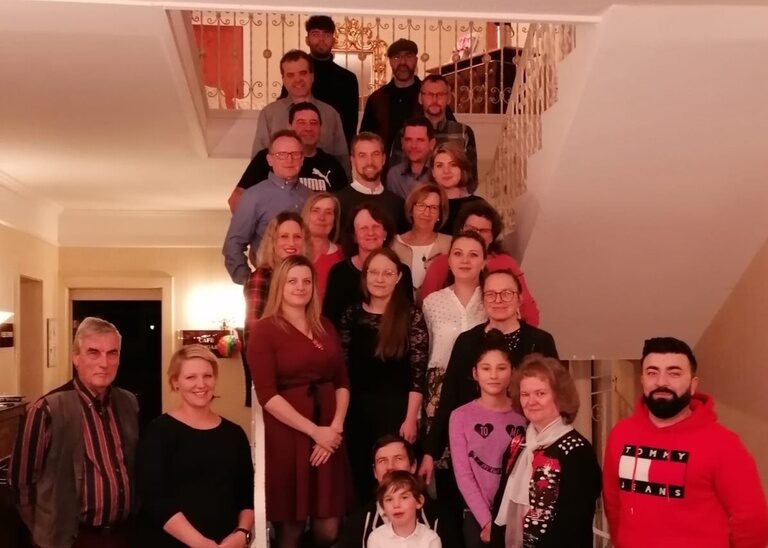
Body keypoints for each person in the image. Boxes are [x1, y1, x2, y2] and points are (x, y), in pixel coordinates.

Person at [602, 337, 768, 548]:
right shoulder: (621, 434)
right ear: (642, 379)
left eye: (674, 373)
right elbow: (613, 502)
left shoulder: (724, 444)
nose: (662, 382)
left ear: (693, 384)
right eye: (652, 372)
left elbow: (752, 520)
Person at [420, 269, 558, 488]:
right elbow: (449, 398)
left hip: (529, 446)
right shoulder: (467, 342)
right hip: (475, 449)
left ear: (519, 298)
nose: (498, 300)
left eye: (506, 293)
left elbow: (556, 398)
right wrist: (429, 452)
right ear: (483, 300)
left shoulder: (540, 341)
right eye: (491, 294)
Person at [9, 317, 138, 548]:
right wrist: (44, 532)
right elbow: (20, 484)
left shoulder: (128, 403)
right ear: (76, 357)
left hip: (122, 536)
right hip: (69, 540)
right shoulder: (47, 409)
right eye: (93, 352)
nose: (104, 363)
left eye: (112, 353)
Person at [249, 255, 350, 548]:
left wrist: (334, 429)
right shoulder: (264, 331)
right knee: (290, 529)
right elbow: (267, 394)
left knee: (328, 529)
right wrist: (313, 431)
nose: (300, 287)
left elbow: (342, 381)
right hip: (289, 435)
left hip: (330, 433)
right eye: (292, 280)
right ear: (280, 285)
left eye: (307, 281)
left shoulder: (325, 326)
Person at [135, 344, 254, 548]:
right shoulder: (159, 431)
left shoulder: (234, 434)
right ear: (175, 382)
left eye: (207, 376)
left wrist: (242, 534)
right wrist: (201, 544)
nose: (201, 384)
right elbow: (155, 499)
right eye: (191, 377)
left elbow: (246, 497)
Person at [339, 247, 428, 504]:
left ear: (398, 277)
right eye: (374, 272)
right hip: (357, 412)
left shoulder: (411, 316)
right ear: (365, 276)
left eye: (387, 273)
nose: (380, 278)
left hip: (398, 413)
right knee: (362, 482)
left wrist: (411, 418)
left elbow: (418, 373)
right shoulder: (351, 314)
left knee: (399, 485)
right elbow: (342, 371)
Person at [491, 354, 601, 547]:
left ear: (560, 396)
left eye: (540, 393)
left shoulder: (577, 450)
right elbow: (501, 506)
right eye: (525, 394)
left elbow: (575, 524)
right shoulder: (518, 444)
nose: (531, 401)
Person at [421, 231, 488, 516]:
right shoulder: (432, 302)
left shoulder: (491, 299)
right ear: (448, 260)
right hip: (439, 391)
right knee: (445, 468)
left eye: (473, 255)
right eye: (458, 253)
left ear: (484, 262)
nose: (465, 260)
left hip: (482, 387)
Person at [449, 332, 526, 548]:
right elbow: (463, 474)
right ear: (475, 373)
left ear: (512, 372)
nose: (494, 375)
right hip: (476, 514)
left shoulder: (523, 414)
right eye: (486, 368)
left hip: (515, 512)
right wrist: (486, 521)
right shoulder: (460, 416)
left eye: (501, 368)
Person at [421, 201, 540, 326]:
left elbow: (526, 307)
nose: (475, 234)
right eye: (470, 228)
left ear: (492, 236)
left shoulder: (505, 263)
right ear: (461, 229)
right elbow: (427, 309)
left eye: (483, 230)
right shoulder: (441, 263)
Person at [239, 211, 310, 406]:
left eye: (297, 237)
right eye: (284, 236)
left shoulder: (304, 279)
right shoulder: (261, 277)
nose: (291, 243)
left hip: (302, 375)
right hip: (275, 381)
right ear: (273, 241)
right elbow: (253, 336)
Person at [223, 129, 311, 285]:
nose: (289, 160)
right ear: (270, 160)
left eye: (295, 154)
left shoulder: (310, 196)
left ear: (302, 159)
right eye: (281, 155)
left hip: (305, 283)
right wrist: (249, 281)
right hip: (269, 283)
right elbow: (233, 244)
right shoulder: (253, 196)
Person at [339, 435, 459, 548]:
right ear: (374, 471)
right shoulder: (358, 523)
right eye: (382, 461)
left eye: (398, 458)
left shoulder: (440, 519)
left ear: (413, 466)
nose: (390, 466)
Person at [229, 102, 348, 211]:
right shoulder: (267, 158)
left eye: (314, 123)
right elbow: (236, 199)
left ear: (320, 128)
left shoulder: (333, 165)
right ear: (290, 126)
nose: (308, 128)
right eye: (301, 122)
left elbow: (343, 208)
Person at [253, 49, 349, 170]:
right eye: (290, 75)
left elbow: (342, 160)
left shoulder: (330, 114)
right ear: (283, 80)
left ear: (312, 76)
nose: (297, 79)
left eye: (303, 73)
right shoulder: (269, 114)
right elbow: (258, 162)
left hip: (322, 186)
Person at [323, 202, 414, 328]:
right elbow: (330, 323)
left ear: (385, 233)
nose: (370, 233)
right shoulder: (339, 273)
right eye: (363, 228)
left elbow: (409, 318)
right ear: (354, 236)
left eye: (376, 227)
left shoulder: (402, 271)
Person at [278, 16, 359, 149]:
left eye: (327, 35)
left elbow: (350, 126)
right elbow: (285, 110)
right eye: (315, 34)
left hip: (332, 149)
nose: (321, 39)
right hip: (296, 149)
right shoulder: (297, 74)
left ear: (334, 40)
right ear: (307, 39)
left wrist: (345, 157)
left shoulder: (347, 79)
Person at [390, 75, 478, 189]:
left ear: (449, 98)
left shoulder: (463, 132)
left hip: (454, 203)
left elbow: (471, 179)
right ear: (420, 98)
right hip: (415, 202)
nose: (435, 99)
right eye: (430, 94)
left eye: (440, 94)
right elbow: (396, 178)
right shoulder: (406, 133)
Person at [360, 39, 422, 157]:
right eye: (396, 57)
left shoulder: (428, 94)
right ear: (389, 62)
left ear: (416, 60)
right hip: (386, 170)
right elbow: (366, 138)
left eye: (408, 56)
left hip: (424, 170)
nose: (402, 62)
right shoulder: (376, 99)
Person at [335, 132, 408, 232]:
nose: (369, 162)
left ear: (383, 159)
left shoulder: (398, 204)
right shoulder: (338, 202)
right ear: (352, 160)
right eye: (362, 155)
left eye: (375, 154)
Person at [391, 183, 451, 294]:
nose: (426, 213)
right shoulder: (394, 244)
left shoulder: (450, 244)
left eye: (434, 208)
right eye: (421, 205)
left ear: (440, 215)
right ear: (411, 210)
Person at [367, 471, 442, 548]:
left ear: (419, 501)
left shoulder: (431, 539)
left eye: (404, 497)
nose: (396, 505)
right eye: (389, 499)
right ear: (382, 507)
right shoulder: (376, 538)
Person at [429, 143, 485, 236]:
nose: (446, 171)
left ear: (462, 169)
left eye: (453, 165)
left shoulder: (478, 205)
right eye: (439, 165)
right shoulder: (426, 205)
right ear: (433, 172)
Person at [302, 192, 344, 299]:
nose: (321, 217)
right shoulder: (292, 251)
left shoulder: (343, 256)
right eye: (315, 211)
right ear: (305, 214)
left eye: (328, 212)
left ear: (334, 221)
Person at [386, 116, 436, 199]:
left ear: (432, 144)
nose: (413, 145)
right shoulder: (394, 175)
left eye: (420, 140)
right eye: (408, 140)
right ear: (402, 142)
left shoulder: (440, 173)